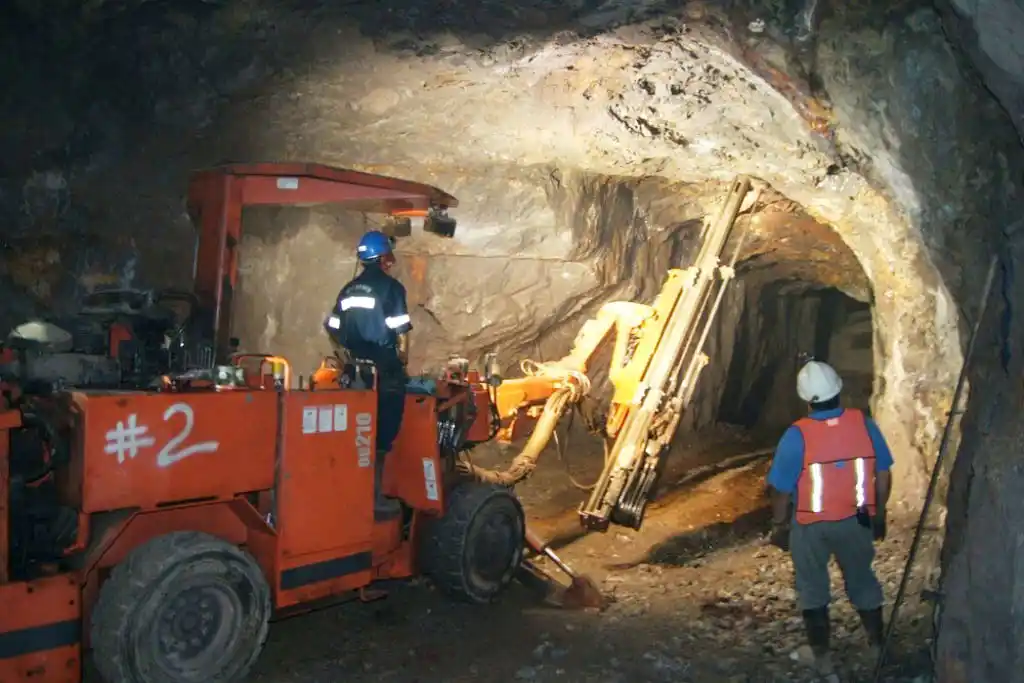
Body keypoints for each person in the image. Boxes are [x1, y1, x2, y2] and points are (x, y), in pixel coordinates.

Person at [766, 360, 893, 678]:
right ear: (839, 389)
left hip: (811, 524)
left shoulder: (797, 436)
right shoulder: (864, 425)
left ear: (806, 398)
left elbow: (780, 490)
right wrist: (877, 512)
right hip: (858, 517)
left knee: (812, 587)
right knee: (862, 578)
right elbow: (883, 473)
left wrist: (779, 524)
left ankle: (822, 657)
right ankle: (877, 646)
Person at [323, 230, 412, 518]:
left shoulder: (348, 290)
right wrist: (401, 360)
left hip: (355, 370)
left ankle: (348, 492)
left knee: (355, 432)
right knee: (382, 434)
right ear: (384, 257)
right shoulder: (392, 289)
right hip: (383, 372)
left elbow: (333, 327)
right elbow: (402, 335)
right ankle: (373, 497)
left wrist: (348, 353)